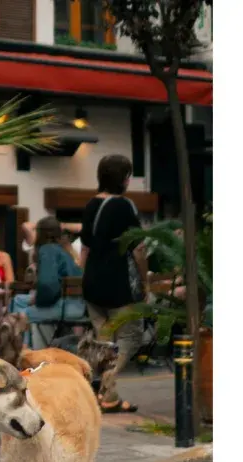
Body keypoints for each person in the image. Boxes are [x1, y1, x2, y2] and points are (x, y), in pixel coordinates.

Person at [80, 154, 145, 413]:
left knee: (104, 340)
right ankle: (107, 389)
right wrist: (144, 279)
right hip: (119, 284)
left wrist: (86, 278)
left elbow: (84, 248)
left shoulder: (90, 205)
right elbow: (139, 249)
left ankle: (107, 396)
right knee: (131, 335)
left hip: (93, 284)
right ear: (124, 178)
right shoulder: (125, 206)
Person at [10, 217, 85, 349]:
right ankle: (25, 346)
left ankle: (22, 349)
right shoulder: (64, 251)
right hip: (78, 305)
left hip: (63, 308)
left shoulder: (47, 250)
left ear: (40, 233)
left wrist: (37, 300)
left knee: (18, 315)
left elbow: (47, 285)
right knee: (18, 300)